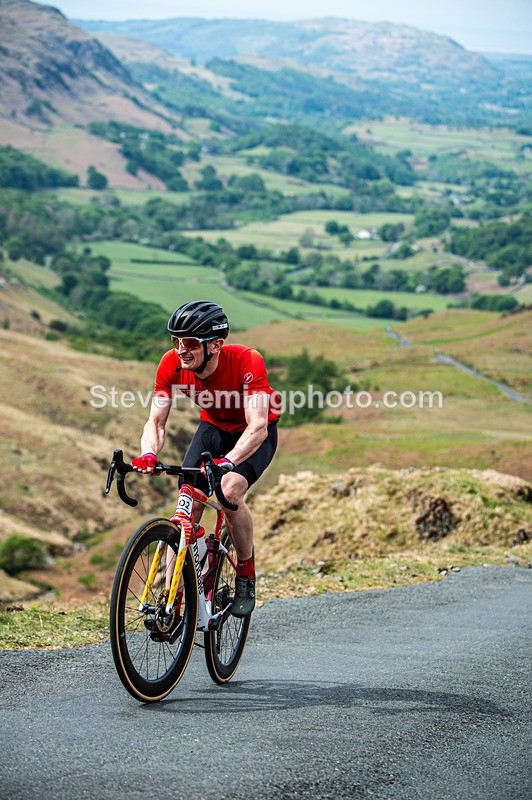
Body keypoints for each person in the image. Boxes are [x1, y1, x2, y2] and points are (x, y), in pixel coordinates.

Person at [131, 300, 280, 617]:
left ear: (215, 345)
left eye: (190, 343)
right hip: (212, 428)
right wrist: (148, 453)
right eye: (176, 341)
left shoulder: (247, 361)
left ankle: (245, 573)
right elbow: (156, 422)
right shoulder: (170, 364)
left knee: (228, 492)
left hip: (252, 433)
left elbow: (257, 426)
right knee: (188, 502)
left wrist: (230, 461)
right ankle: (171, 600)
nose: (181, 350)